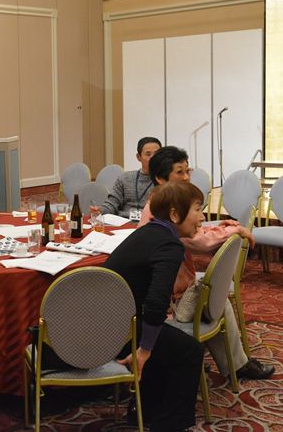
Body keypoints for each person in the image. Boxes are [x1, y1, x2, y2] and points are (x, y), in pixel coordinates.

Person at [140, 145, 274, 380]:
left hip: (174, 288)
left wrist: (222, 226)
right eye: (179, 172)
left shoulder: (161, 203)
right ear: (161, 179)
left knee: (214, 295)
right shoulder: (162, 212)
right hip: (168, 299)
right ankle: (231, 364)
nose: (186, 177)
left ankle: (216, 360)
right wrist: (234, 229)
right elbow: (198, 241)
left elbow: (197, 231)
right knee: (215, 297)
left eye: (187, 171)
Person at [103, 182, 205, 431]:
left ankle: (145, 410)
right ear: (175, 214)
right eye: (197, 209)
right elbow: (156, 303)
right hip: (115, 330)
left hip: (103, 321)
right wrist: (144, 351)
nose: (202, 217)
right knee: (189, 351)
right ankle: (169, 425)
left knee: (165, 340)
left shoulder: (148, 232)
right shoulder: (169, 245)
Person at [99, 136, 162, 217]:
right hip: (123, 221)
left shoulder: (165, 181)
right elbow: (112, 203)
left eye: (156, 154)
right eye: (148, 154)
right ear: (139, 157)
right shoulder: (125, 178)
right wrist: (100, 210)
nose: (153, 158)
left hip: (149, 221)